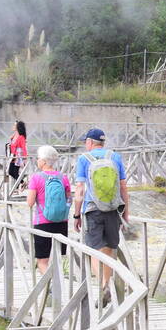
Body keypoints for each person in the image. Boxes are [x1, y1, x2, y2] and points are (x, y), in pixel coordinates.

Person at [71, 128, 128, 299]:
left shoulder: (84, 159)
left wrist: (76, 213)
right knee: (109, 248)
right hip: (113, 208)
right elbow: (124, 186)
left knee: (94, 249)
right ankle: (108, 284)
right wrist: (125, 213)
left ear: (89, 142)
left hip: (92, 209)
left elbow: (80, 188)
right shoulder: (114, 157)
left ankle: (104, 286)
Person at [25, 145, 71, 274]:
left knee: (42, 261)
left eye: (38, 158)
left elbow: (30, 202)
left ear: (44, 161)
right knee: (58, 259)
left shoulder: (36, 178)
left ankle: (50, 287)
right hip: (62, 222)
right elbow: (69, 199)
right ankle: (59, 286)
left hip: (42, 223)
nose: (37, 161)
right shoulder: (63, 177)